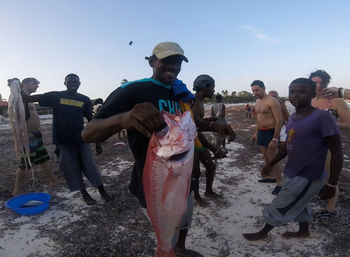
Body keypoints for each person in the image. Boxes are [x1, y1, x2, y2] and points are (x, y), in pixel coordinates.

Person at [82, 42, 212, 257]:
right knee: (165, 232)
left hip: (186, 176)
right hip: (156, 180)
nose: (173, 65)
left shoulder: (179, 91)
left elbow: (190, 124)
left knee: (185, 219)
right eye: (166, 60)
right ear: (152, 62)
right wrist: (124, 118)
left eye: (177, 61)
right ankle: (167, 249)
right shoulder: (133, 90)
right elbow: (88, 133)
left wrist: (213, 126)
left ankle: (180, 249)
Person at [243, 78, 343, 241]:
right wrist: (271, 163)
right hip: (292, 171)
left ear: (312, 94)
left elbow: (337, 152)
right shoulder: (293, 118)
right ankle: (304, 231)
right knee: (302, 203)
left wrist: (331, 183)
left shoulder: (322, 118)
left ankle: (263, 232)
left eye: (301, 91)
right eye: (292, 91)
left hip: (308, 176)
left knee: (281, 203)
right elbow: (286, 148)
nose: (295, 95)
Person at [21, 74, 111, 205]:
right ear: (65, 83)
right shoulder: (55, 96)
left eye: (75, 81)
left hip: (82, 140)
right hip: (63, 141)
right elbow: (28, 98)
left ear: (80, 83)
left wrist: (97, 141)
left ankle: (102, 190)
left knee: (90, 166)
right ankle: (84, 193)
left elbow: (92, 121)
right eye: (70, 82)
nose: (73, 84)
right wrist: (17, 86)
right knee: (71, 169)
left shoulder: (84, 99)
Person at [309, 70, 350, 216]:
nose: (318, 86)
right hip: (310, 144)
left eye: (322, 83)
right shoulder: (308, 99)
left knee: (330, 176)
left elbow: (348, 123)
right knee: (313, 173)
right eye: (315, 83)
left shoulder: (336, 100)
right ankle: (318, 195)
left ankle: (330, 209)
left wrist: (329, 123)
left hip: (329, 145)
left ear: (327, 83)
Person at [10, 77, 60, 196]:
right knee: (25, 164)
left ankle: (53, 180)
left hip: (36, 135)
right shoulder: (18, 98)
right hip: (27, 137)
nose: (37, 85)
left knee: (43, 159)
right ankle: (16, 191)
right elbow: (15, 119)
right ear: (26, 84)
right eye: (35, 83)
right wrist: (23, 134)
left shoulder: (29, 99)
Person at [192, 76, 235, 206]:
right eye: (213, 87)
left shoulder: (200, 102)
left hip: (197, 139)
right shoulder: (193, 102)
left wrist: (211, 120)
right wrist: (214, 148)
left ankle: (208, 191)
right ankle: (197, 197)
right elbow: (194, 130)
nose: (214, 90)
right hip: (192, 142)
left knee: (210, 166)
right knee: (195, 172)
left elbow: (198, 123)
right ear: (205, 87)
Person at [250, 80, 283, 195]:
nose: (255, 92)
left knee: (273, 157)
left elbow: (279, 120)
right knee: (265, 155)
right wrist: (256, 132)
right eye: (253, 90)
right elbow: (259, 119)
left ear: (263, 88)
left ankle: (280, 183)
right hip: (261, 132)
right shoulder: (257, 101)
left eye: (257, 89)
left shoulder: (272, 101)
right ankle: (271, 176)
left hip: (271, 132)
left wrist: (275, 138)